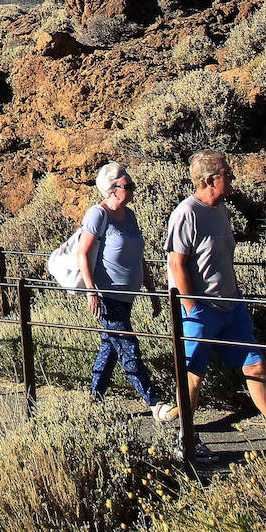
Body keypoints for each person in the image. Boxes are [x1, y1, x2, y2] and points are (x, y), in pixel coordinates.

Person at [166, 150, 266, 458]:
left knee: (256, 366)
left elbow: (222, 259)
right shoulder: (186, 213)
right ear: (209, 180)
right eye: (226, 174)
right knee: (192, 375)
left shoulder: (222, 211)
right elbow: (177, 264)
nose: (231, 179)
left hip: (231, 306)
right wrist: (192, 308)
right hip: (200, 309)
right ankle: (184, 438)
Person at [78, 162, 176, 422]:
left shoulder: (130, 215)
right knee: (128, 346)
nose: (132, 189)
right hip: (107, 296)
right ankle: (155, 403)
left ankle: (94, 399)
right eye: (127, 186)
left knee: (110, 347)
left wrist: (152, 290)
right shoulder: (99, 215)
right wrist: (91, 291)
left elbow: (139, 256)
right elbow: (83, 252)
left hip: (127, 295)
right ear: (111, 190)